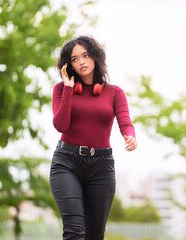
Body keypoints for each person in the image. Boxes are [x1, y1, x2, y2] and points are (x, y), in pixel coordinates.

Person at [50, 35, 137, 240]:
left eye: (86, 55)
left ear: (95, 57)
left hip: (101, 167)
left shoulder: (114, 93)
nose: (81, 61)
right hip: (67, 163)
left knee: (94, 235)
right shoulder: (61, 90)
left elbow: (125, 123)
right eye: (74, 59)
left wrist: (130, 136)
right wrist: (70, 90)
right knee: (74, 231)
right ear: (68, 65)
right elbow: (61, 125)